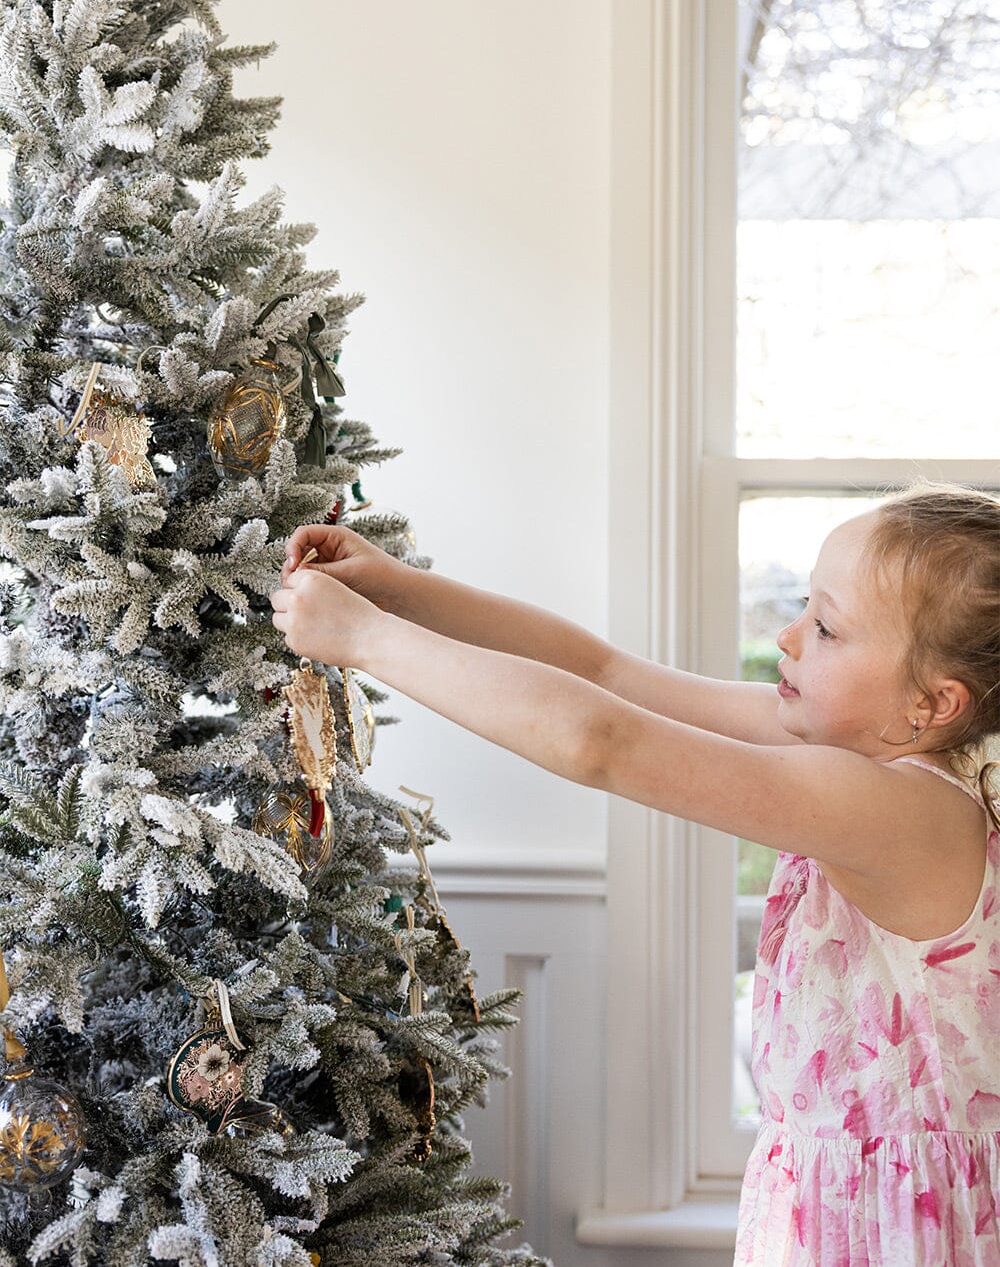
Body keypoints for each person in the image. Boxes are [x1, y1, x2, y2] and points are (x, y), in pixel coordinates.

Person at [270, 482, 1000, 1265]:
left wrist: (369, 642)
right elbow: (604, 671)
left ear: (933, 703)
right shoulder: (861, 751)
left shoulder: (901, 812)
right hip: (827, 1212)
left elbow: (601, 740)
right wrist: (400, 592)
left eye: (825, 627)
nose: (788, 637)